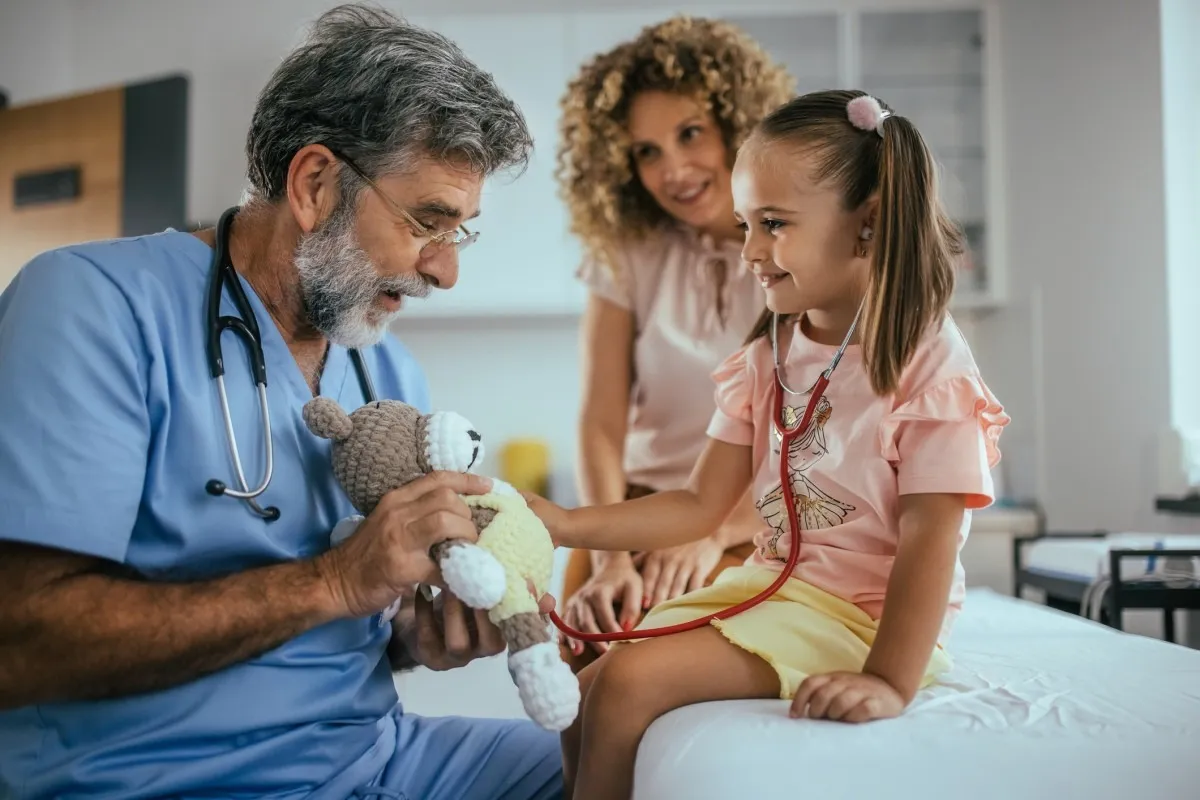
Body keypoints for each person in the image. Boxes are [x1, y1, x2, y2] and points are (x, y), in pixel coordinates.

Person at [0, 6, 563, 800]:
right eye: (426, 222)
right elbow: (20, 644)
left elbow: (354, 631)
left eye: (460, 233)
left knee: (629, 757)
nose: (444, 272)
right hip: (149, 778)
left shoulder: (386, 373)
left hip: (376, 760)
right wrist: (333, 582)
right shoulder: (91, 305)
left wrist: (414, 637)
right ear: (315, 184)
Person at [530, 89, 1010, 799]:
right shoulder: (771, 354)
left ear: (868, 225)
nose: (751, 251)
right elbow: (697, 505)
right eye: (746, 224)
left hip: (859, 615)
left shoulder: (928, 363)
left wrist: (886, 679)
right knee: (588, 690)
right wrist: (566, 525)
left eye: (774, 225)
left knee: (630, 684)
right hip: (777, 589)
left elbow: (930, 539)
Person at [553, 15, 794, 669]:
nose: (674, 169)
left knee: (660, 672)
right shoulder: (626, 253)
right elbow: (600, 420)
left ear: (736, 126)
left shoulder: (796, 245)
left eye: (690, 134)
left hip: (760, 516)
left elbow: (818, 426)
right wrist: (606, 560)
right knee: (579, 662)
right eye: (646, 151)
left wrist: (715, 529)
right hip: (635, 510)